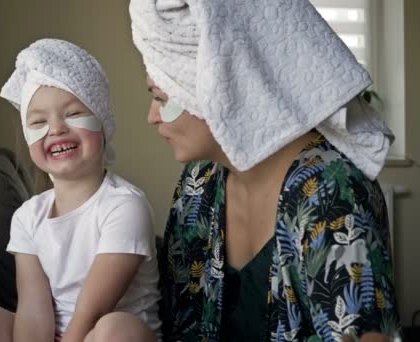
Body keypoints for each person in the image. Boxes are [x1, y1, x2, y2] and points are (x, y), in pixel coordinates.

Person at [129, 0, 401, 341]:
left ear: (222, 87)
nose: (152, 116)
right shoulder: (199, 182)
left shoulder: (334, 192)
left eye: (161, 97)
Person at [0, 39, 161, 342]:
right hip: (54, 336)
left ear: (103, 124)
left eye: (73, 114)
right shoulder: (27, 217)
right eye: (38, 121)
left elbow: (93, 310)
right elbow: (33, 309)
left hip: (98, 333)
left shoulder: (125, 206)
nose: (56, 128)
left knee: (117, 329)